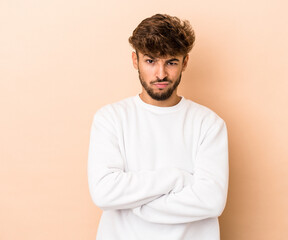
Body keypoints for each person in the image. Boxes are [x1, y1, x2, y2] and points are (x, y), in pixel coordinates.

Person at [88, 13, 229, 240]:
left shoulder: (208, 124)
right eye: (150, 61)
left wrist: (137, 204)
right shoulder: (110, 118)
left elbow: (211, 201)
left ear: (185, 62)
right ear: (135, 61)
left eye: (171, 62)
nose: (161, 74)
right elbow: (104, 193)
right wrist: (177, 178)